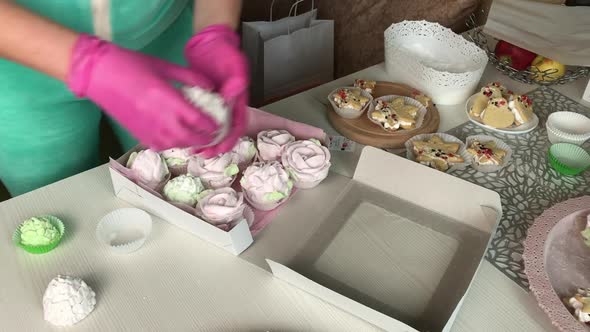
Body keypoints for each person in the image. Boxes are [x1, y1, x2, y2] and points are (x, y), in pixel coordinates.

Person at [0, 0, 249, 196]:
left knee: (191, 180)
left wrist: (215, 30)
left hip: (165, 38)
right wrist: (86, 64)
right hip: (21, 69)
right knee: (57, 201)